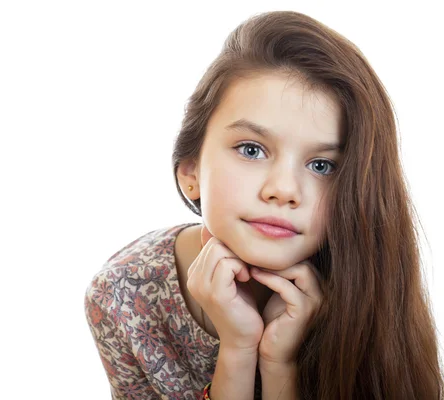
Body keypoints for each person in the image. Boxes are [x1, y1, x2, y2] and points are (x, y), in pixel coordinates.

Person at [84, 10, 444, 400]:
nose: (284, 190)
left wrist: (278, 365)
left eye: (322, 165)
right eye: (252, 150)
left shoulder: (369, 289)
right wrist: (237, 351)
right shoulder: (122, 295)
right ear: (190, 170)